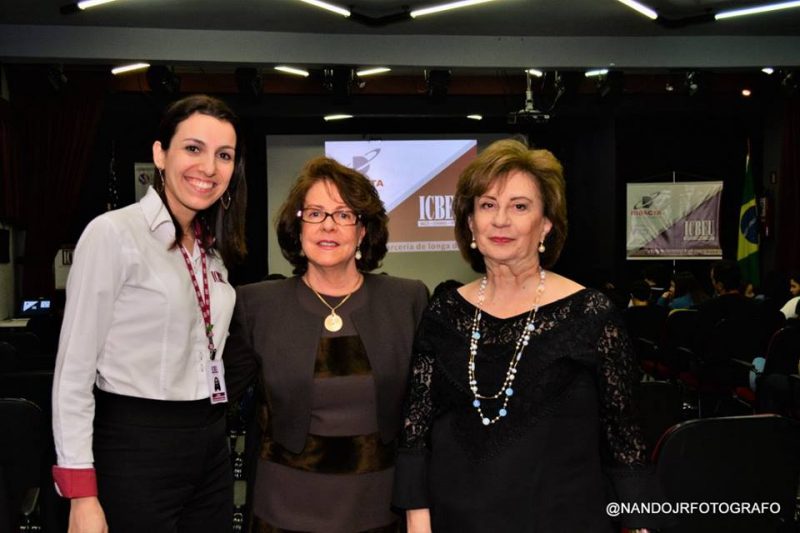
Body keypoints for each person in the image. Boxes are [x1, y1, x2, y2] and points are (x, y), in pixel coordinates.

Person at [393, 139, 655, 532]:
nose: (501, 220)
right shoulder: (443, 314)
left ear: (546, 223)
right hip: (456, 519)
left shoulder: (591, 314)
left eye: (519, 206)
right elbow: (415, 432)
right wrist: (418, 521)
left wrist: (640, 525)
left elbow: (626, 439)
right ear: (470, 222)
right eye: (487, 205)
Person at [51, 95, 247, 533]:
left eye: (224, 155)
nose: (209, 167)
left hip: (210, 443)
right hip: (135, 445)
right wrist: (81, 492)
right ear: (160, 154)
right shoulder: (113, 234)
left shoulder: (211, 253)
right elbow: (73, 373)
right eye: (193, 148)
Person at [224, 157, 428, 532]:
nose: (328, 225)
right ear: (298, 226)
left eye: (344, 214)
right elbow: (213, 401)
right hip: (282, 511)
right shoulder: (256, 306)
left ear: (363, 231)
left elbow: (425, 419)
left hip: (378, 511)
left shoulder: (407, 301)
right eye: (315, 213)